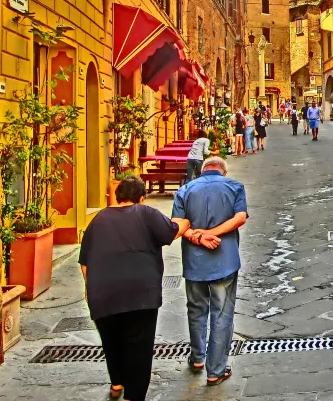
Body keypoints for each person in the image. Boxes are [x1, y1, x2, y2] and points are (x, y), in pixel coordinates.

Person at [79, 176, 196, 401]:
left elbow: (85, 263)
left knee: (111, 341)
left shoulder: (98, 220)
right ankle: (133, 395)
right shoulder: (146, 213)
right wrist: (187, 223)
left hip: (103, 293)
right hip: (141, 292)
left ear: (118, 195)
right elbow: (171, 231)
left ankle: (117, 383)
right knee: (139, 346)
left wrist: (90, 288)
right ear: (141, 197)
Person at [172, 157, 248, 387]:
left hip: (194, 262)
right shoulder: (234, 187)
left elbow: (176, 226)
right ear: (223, 172)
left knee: (195, 310)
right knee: (222, 313)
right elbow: (240, 218)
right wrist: (212, 233)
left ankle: (197, 358)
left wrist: (198, 236)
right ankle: (215, 370)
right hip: (224, 260)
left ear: (202, 171)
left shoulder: (185, 189)